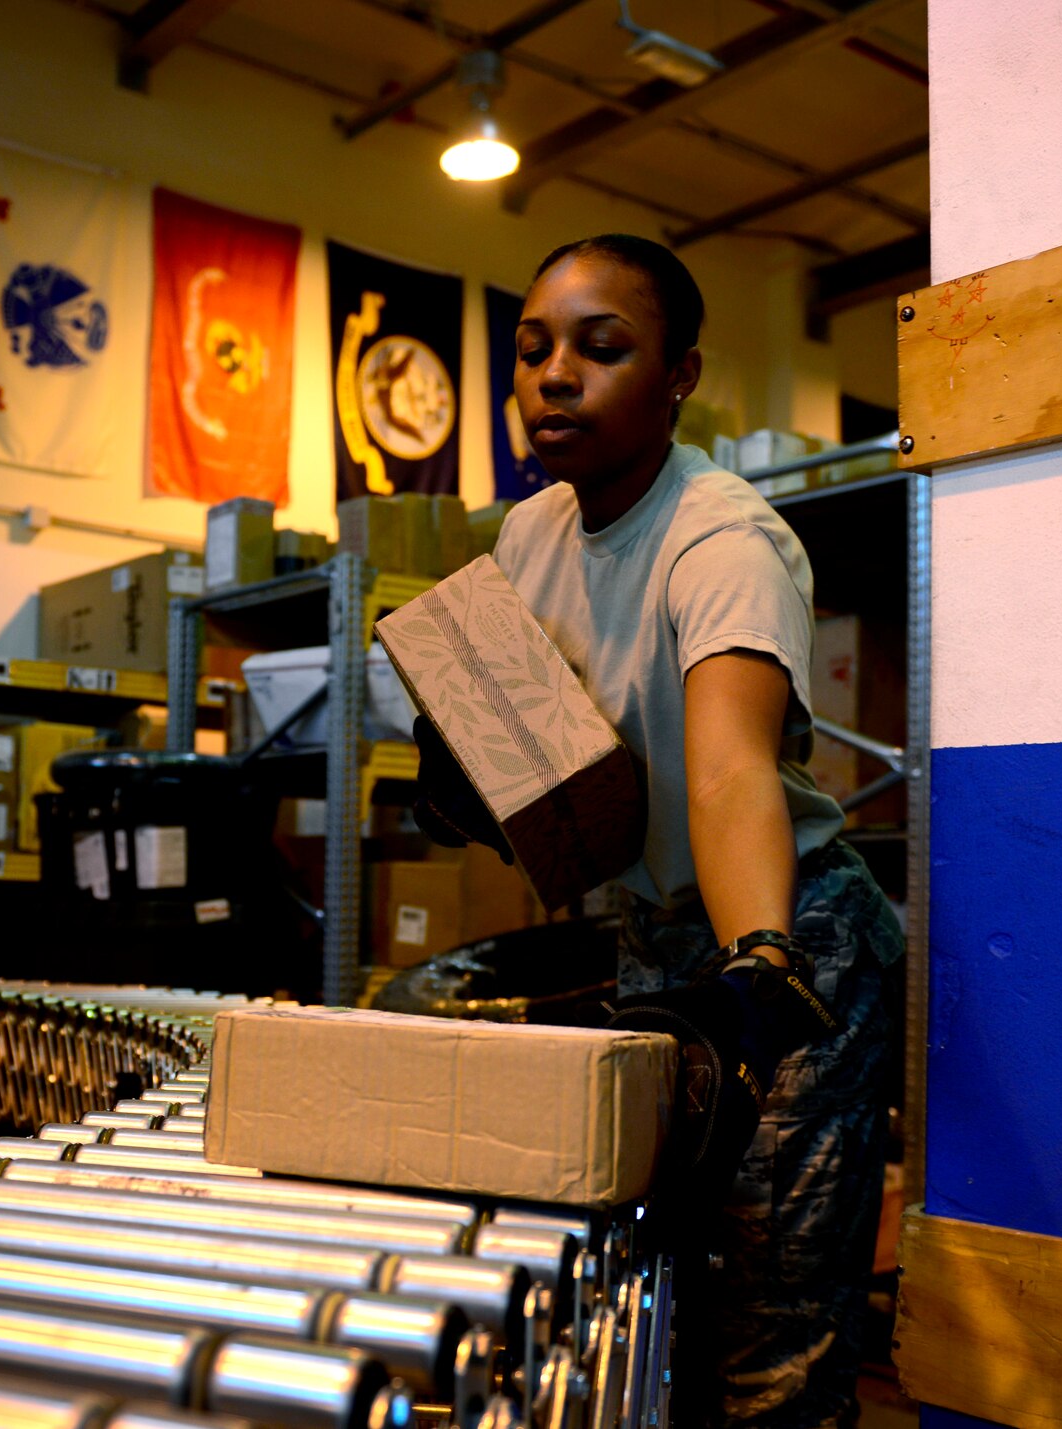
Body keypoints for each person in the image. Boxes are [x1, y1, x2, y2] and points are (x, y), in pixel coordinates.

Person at [414, 235, 903, 1428]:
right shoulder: (528, 539)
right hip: (654, 939)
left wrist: (759, 959)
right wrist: (466, 781)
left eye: (600, 346)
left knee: (773, 1329)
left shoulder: (720, 539)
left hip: (785, 944)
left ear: (678, 374)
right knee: (659, 1289)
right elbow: (565, 774)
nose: (553, 374)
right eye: (531, 349)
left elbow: (731, 772)